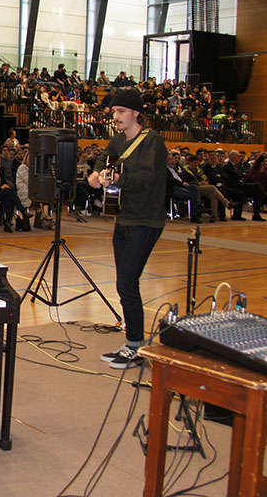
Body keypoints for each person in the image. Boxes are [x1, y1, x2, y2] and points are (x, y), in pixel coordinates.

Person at [87, 89, 167, 369]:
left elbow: (147, 177)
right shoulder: (118, 140)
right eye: (113, 112)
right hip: (123, 219)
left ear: (136, 113)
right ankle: (133, 342)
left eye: (120, 112)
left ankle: (136, 346)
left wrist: (119, 177)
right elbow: (103, 159)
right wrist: (96, 174)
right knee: (124, 282)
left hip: (145, 221)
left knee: (127, 283)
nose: (115, 117)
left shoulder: (152, 141)